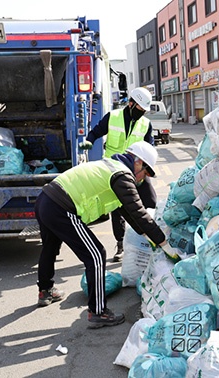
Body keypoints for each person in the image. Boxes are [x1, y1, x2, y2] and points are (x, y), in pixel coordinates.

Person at [35, 141, 167, 328]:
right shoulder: (123, 176)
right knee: (96, 254)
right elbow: (139, 212)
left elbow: (127, 213)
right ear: (138, 162)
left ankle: (45, 290)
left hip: (45, 200)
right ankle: (98, 312)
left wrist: (145, 234)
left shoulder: (112, 168)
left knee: (50, 247)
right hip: (61, 206)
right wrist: (162, 241)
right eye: (145, 172)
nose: (143, 178)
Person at [78, 87, 157, 263]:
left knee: (150, 201)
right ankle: (121, 244)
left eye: (144, 110)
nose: (141, 113)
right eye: (140, 109)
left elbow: (150, 147)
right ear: (131, 103)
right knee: (117, 207)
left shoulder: (145, 124)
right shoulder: (113, 117)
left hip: (137, 169)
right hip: (114, 169)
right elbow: (96, 131)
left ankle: (152, 237)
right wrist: (89, 141)